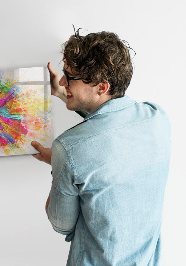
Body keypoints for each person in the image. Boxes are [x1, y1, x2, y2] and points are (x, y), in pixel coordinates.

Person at [31, 30, 171, 265]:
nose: (63, 81)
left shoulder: (68, 149)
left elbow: (61, 224)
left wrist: (59, 163)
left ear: (102, 87)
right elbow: (111, 125)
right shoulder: (157, 118)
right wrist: (65, 94)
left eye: (70, 77)